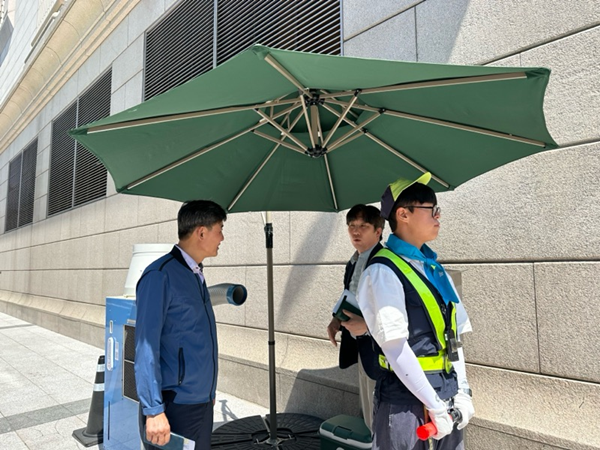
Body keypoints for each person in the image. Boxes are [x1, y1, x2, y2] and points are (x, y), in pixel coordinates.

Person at [356, 173, 474, 449]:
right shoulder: (383, 271)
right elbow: (394, 347)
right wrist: (434, 405)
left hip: (447, 395)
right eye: (431, 209)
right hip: (405, 403)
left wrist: (462, 391)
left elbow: (453, 338)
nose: (438, 216)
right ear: (403, 214)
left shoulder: (433, 268)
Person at [134, 200, 227, 449]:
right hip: (174, 406)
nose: (222, 238)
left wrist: (208, 392)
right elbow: (145, 346)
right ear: (201, 232)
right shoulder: (159, 275)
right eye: (220, 230)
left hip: (200, 402)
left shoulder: (194, 273)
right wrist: (153, 410)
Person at [326, 204, 384, 431]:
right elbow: (349, 294)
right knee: (369, 410)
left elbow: (395, 310)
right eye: (351, 226)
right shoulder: (354, 261)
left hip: (381, 351)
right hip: (360, 346)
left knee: (380, 414)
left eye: (363, 226)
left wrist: (368, 326)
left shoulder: (385, 262)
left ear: (378, 231)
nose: (356, 231)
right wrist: (336, 320)